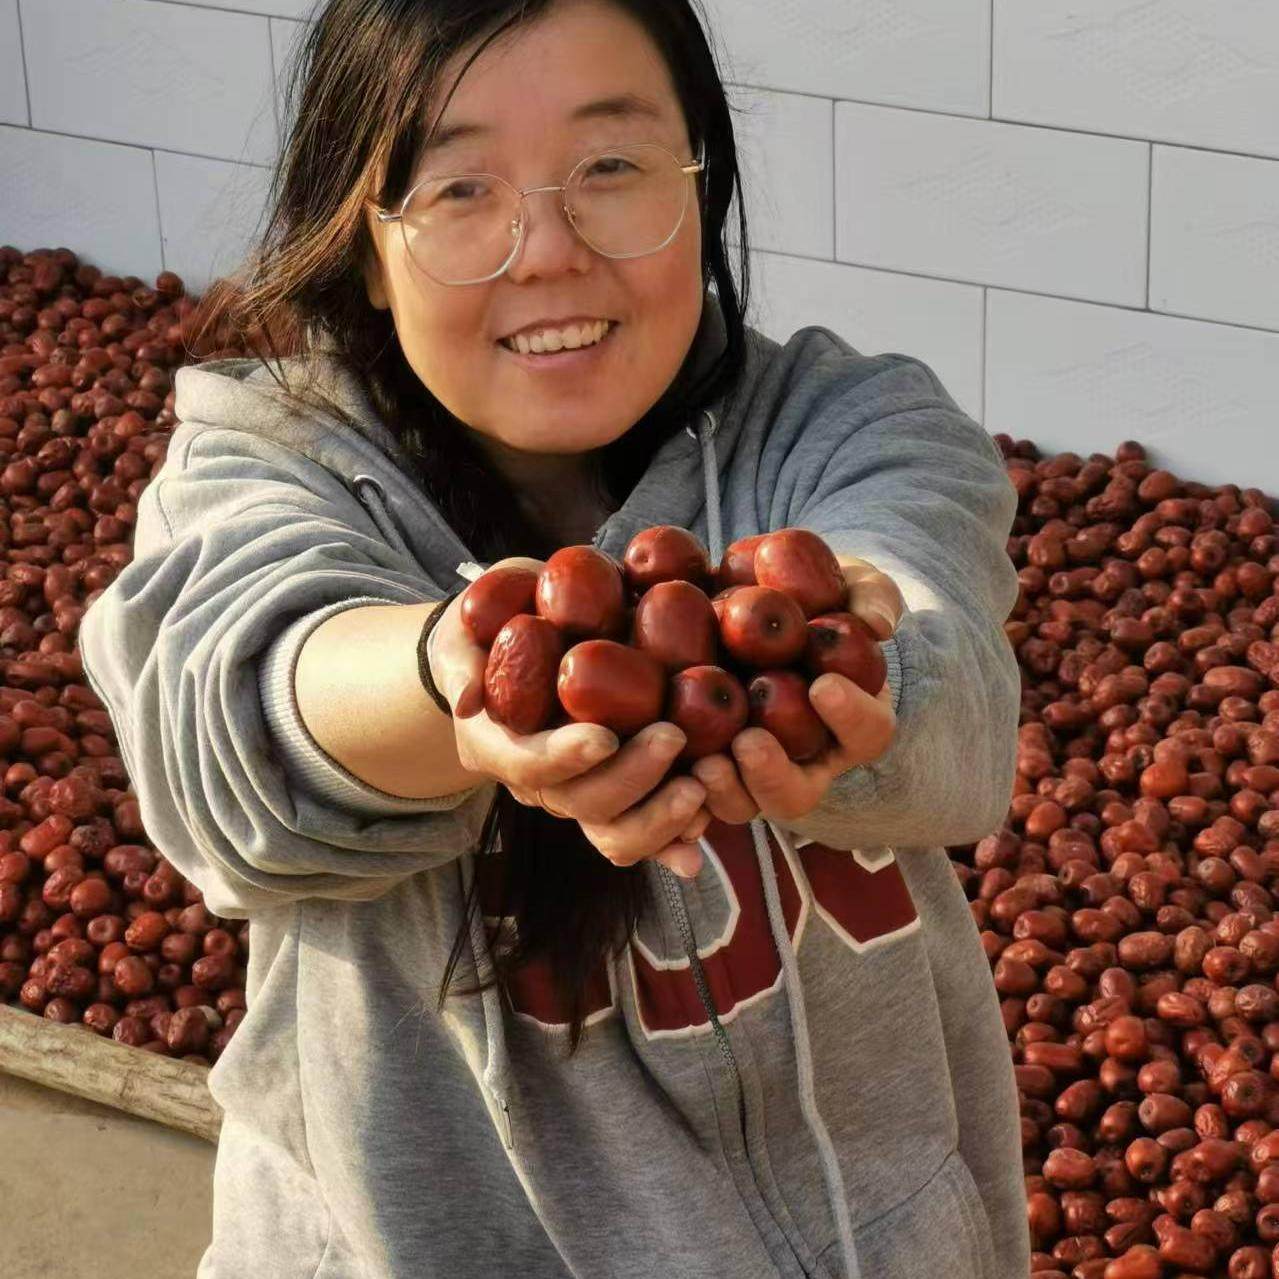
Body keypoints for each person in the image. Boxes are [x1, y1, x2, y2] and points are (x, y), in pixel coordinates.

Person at [76, 0, 1029, 1275]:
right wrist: (452, 676)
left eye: (612, 169)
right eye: (462, 187)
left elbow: (938, 661)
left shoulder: (851, 423)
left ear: (701, 185)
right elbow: (229, 711)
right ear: (365, 245)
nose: (546, 252)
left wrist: (856, 659)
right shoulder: (270, 458)